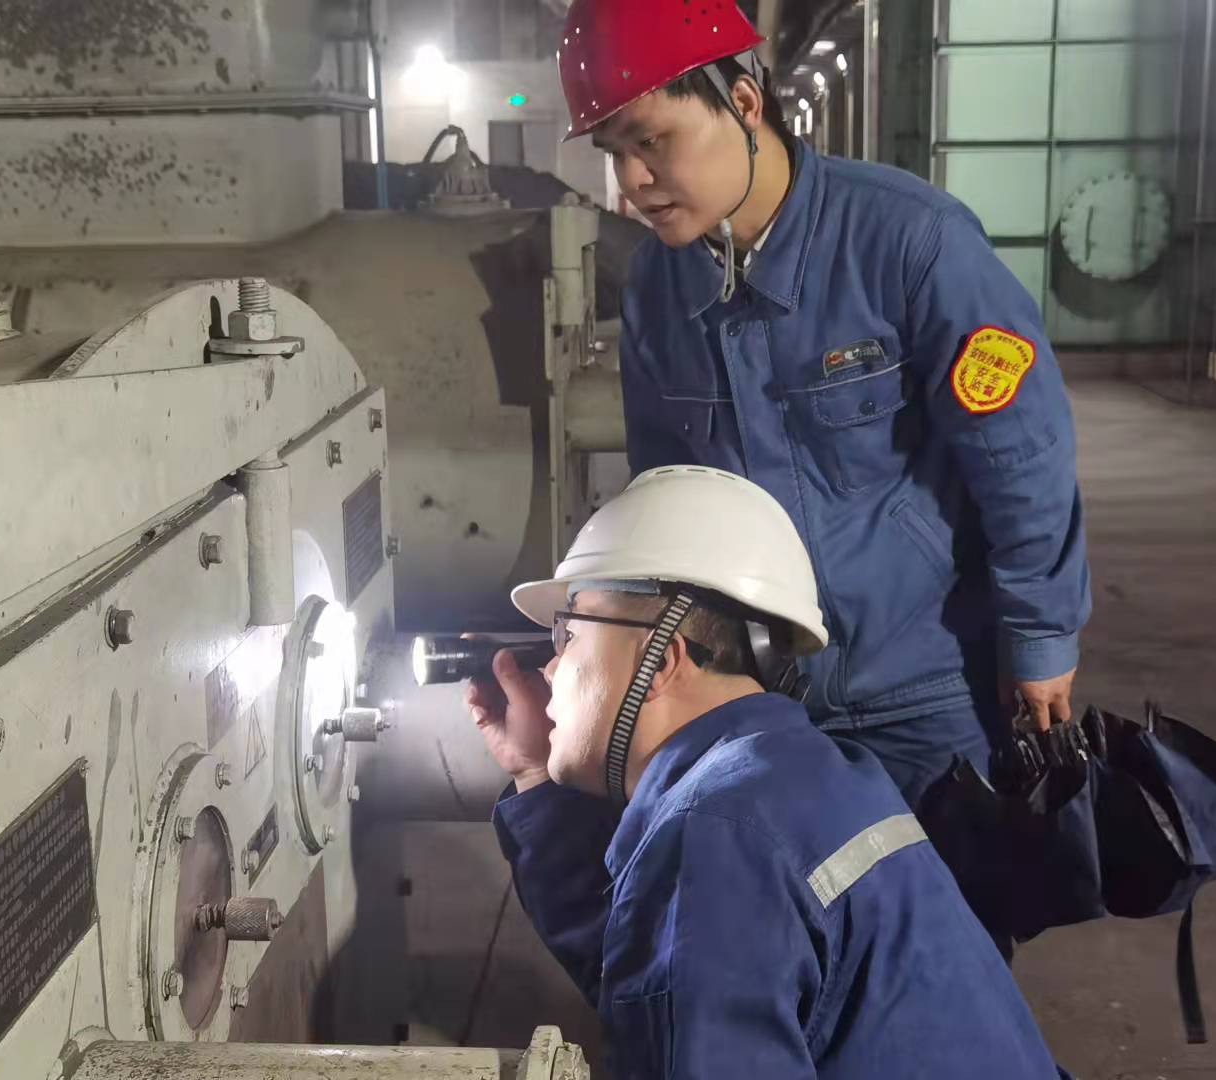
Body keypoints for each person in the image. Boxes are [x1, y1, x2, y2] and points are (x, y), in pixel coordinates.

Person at [555, 0, 1092, 810]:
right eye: (614, 153)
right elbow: (664, 495)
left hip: (929, 688)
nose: (631, 183)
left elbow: (1019, 452)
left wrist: (1040, 633)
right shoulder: (657, 286)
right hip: (761, 700)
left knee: (949, 890)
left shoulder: (910, 242)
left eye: (651, 141)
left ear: (743, 103)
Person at [467, 466, 1063, 1078]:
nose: (550, 669)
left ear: (661, 657)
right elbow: (664, 991)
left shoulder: (714, 834)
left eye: (569, 632)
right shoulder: (808, 777)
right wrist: (536, 772)